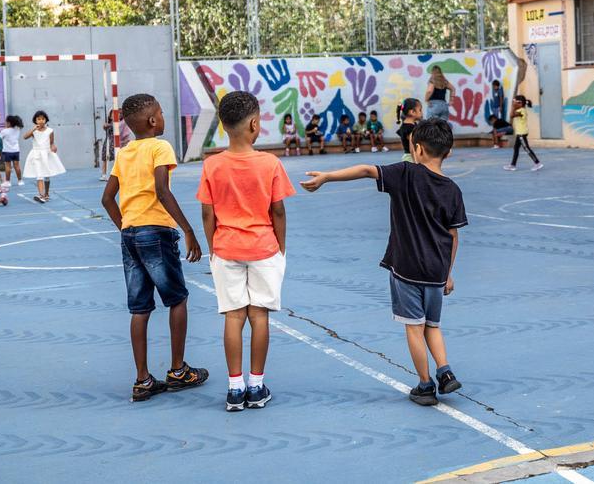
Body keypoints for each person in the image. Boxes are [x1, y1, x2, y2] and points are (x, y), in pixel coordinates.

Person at [301, 118, 466, 407]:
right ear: (447, 153)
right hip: (437, 271)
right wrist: (448, 274)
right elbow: (453, 236)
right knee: (433, 326)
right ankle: (445, 370)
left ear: (416, 149)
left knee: (414, 327)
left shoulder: (404, 173)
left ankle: (425, 385)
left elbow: (367, 170)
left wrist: (327, 176)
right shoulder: (452, 190)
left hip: (406, 269)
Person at [100, 93, 209, 402]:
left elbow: (107, 199)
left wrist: (126, 227)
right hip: (156, 232)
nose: (162, 118)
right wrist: (188, 230)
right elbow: (162, 190)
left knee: (139, 308)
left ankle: (143, 379)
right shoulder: (160, 147)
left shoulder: (124, 153)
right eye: (160, 113)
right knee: (177, 299)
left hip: (130, 233)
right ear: (152, 120)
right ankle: (177, 370)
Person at [197, 91, 296, 412]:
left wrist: (213, 247)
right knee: (259, 315)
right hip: (264, 249)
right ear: (254, 124)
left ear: (224, 126)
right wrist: (280, 247)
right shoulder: (270, 163)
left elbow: (207, 213)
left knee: (233, 315)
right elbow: (277, 211)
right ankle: (256, 384)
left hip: (226, 249)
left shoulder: (212, 165)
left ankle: (234, 387)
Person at [22, 110, 66, 203]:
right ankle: (41, 195)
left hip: (46, 154)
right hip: (36, 154)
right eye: (38, 119)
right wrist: (33, 129)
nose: (41, 121)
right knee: (39, 175)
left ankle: (46, 193)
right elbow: (25, 137)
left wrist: (53, 147)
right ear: (35, 120)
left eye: (43, 119)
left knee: (47, 175)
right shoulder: (34, 131)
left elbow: (51, 142)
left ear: (46, 120)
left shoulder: (50, 131)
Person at [504, 96, 543, 172]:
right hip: (519, 134)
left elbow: (511, 116)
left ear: (520, 103)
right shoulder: (519, 109)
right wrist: (515, 106)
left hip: (522, 134)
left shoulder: (522, 111)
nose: (513, 103)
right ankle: (513, 165)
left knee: (526, 148)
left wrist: (513, 107)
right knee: (516, 148)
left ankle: (537, 163)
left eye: (515, 102)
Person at [0, 115, 25, 187]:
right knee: (17, 166)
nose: (5, 123)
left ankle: (7, 182)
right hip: (16, 151)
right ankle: (20, 180)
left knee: (8, 167)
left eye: (6, 122)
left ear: (9, 123)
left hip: (7, 151)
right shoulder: (17, 129)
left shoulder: (4, 131)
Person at [395, 98, 422, 163]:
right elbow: (412, 148)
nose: (421, 112)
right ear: (412, 112)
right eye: (420, 110)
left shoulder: (407, 125)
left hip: (410, 157)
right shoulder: (410, 128)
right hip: (411, 158)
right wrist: (416, 162)